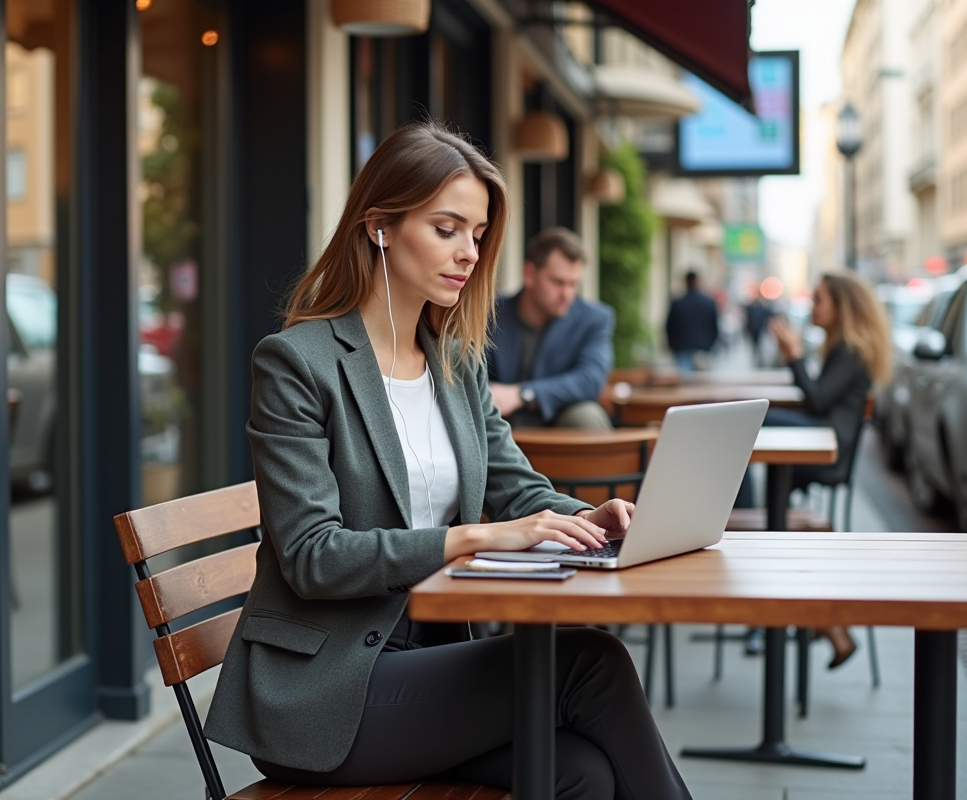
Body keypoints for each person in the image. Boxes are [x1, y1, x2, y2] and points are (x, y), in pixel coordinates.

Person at [203, 120, 692, 799]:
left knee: (582, 773)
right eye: (446, 228)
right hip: (326, 691)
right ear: (380, 226)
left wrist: (588, 518)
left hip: (426, 661)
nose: (469, 252)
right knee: (591, 662)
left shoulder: (456, 363)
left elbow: (517, 489)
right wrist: (476, 538)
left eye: (478, 234)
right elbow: (313, 556)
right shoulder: (297, 364)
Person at [739, 271, 891, 668]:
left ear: (841, 306)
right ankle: (819, 619)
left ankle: (742, 529)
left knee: (748, 423)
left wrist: (793, 355)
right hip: (821, 443)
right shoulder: (842, 346)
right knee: (748, 426)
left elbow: (819, 400)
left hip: (827, 452)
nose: (812, 306)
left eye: (819, 299)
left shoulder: (852, 349)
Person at [486, 227, 614, 430]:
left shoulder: (593, 319)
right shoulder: (489, 314)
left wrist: (523, 394)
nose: (567, 294)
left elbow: (590, 379)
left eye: (573, 284)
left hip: (558, 418)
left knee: (587, 416)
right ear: (529, 274)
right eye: (558, 282)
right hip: (496, 420)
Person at [665, 270, 719, 372]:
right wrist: (710, 346)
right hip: (703, 348)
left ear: (686, 282)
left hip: (682, 347)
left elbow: (669, 327)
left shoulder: (678, 303)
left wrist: (673, 345)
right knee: (702, 379)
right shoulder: (709, 303)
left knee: (685, 378)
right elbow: (714, 327)